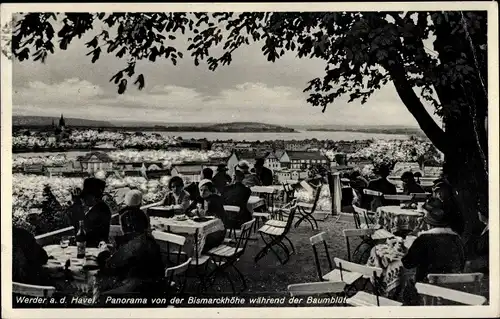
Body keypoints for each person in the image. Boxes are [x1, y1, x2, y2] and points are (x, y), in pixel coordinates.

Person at [97, 208, 165, 298]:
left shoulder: (133, 244)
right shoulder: (149, 240)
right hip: (156, 289)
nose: (122, 229)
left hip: (137, 294)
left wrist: (103, 251)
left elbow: (108, 268)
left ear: (129, 226)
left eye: (122, 225)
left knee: (97, 294)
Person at [402, 198, 465, 282]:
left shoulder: (424, 239)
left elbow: (408, 263)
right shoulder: (457, 239)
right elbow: (462, 263)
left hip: (425, 286)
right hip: (452, 286)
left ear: (429, 224)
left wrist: (405, 249)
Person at [68, 177, 112, 247]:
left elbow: (82, 227)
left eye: (86, 196)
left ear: (94, 196)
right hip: (90, 246)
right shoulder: (98, 208)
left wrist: (77, 205)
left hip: (94, 248)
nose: (83, 199)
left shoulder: (101, 209)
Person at [196, 179, 227, 253]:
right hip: (213, 230)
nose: (202, 192)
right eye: (201, 190)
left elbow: (207, 216)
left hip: (218, 233)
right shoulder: (205, 199)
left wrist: (198, 211)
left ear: (211, 190)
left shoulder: (213, 200)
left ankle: (199, 255)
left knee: (197, 239)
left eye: (205, 190)